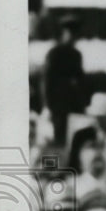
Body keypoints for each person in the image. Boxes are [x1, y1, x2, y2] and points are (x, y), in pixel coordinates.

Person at [42, 15, 84, 148]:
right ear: (64, 33)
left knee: (73, 141)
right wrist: (48, 105)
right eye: (69, 33)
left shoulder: (76, 55)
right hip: (58, 107)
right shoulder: (54, 53)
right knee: (59, 141)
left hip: (73, 107)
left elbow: (80, 80)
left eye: (75, 34)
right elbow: (47, 81)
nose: (72, 37)